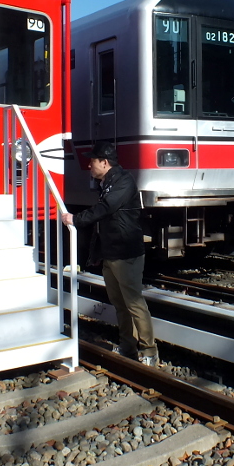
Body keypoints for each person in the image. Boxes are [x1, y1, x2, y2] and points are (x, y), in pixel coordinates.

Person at [62, 141, 158, 366]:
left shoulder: (123, 182)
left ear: (104, 163)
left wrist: (76, 219)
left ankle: (150, 351)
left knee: (134, 302)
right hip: (112, 252)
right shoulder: (109, 182)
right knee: (120, 303)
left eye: (92, 161)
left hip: (126, 253)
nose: (89, 166)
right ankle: (127, 347)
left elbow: (106, 208)